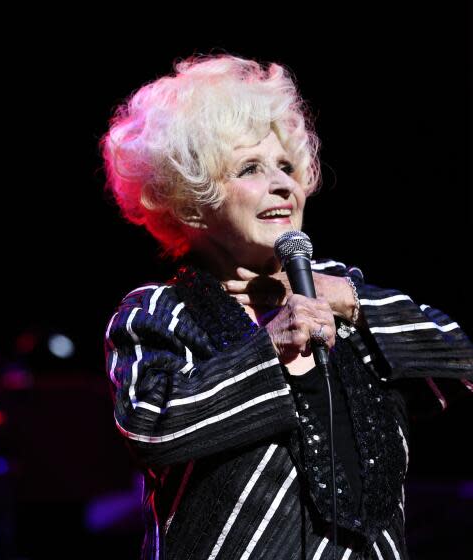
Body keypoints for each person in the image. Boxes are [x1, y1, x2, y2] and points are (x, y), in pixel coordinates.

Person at [99, 53, 473, 560]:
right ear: (192, 198)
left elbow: (461, 359)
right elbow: (150, 427)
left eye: (288, 166)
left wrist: (351, 300)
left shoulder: (346, 296)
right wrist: (267, 345)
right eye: (250, 168)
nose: (283, 184)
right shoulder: (159, 313)